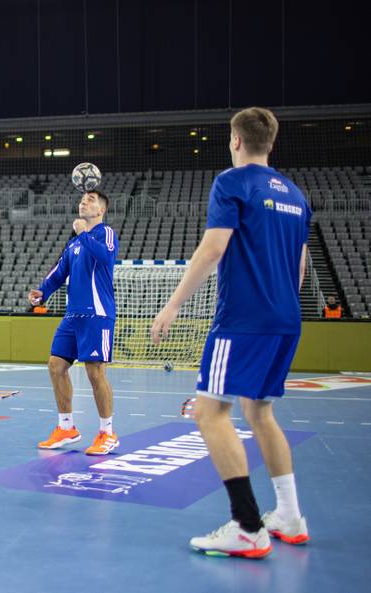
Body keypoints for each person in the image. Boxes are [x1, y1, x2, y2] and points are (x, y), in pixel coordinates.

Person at [151, 107, 311, 558]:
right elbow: (299, 268)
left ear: (236, 141)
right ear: (270, 143)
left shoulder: (232, 182)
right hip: (285, 319)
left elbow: (214, 247)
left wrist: (173, 305)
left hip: (242, 320)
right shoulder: (297, 196)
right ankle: (290, 516)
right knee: (260, 414)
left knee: (209, 412)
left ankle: (247, 527)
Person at [28, 190, 120, 455]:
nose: (84, 202)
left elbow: (105, 257)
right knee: (56, 366)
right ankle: (66, 427)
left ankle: (108, 433)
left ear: (101, 210)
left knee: (95, 372)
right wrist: (42, 291)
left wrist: (83, 233)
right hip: (72, 316)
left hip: (97, 314)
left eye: (91, 200)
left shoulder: (105, 233)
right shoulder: (74, 245)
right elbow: (58, 273)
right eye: (82, 199)